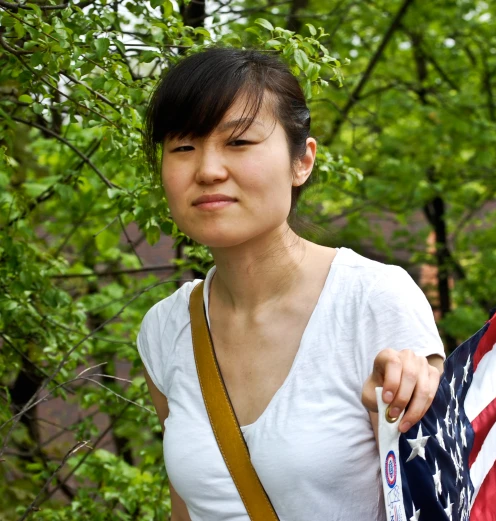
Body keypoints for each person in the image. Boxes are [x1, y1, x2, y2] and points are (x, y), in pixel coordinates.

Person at [137, 48, 445, 521]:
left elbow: (435, 497)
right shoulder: (166, 329)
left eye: (238, 142)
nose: (208, 169)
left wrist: (404, 398)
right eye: (183, 147)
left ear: (302, 161)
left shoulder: (373, 301)